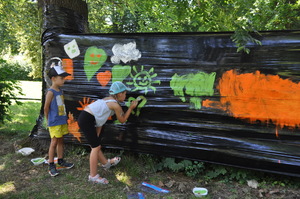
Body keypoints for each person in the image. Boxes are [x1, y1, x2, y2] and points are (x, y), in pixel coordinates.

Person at [77, 81, 138, 184]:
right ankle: (93, 176)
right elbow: (122, 120)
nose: (126, 95)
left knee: (96, 145)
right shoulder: (115, 105)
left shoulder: (109, 100)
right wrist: (131, 108)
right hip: (87, 119)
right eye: (125, 93)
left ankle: (106, 163)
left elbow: (100, 117)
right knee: (95, 147)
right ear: (119, 94)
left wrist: (97, 136)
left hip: (89, 118)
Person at [44, 64, 74, 177]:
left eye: (64, 78)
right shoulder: (51, 92)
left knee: (61, 140)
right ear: (53, 79)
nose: (64, 80)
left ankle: (60, 161)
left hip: (61, 120)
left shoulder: (60, 91)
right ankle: (51, 165)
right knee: (54, 142)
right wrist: (48, 120)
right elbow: (46, 107)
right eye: (61, 78)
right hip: (54, 121)